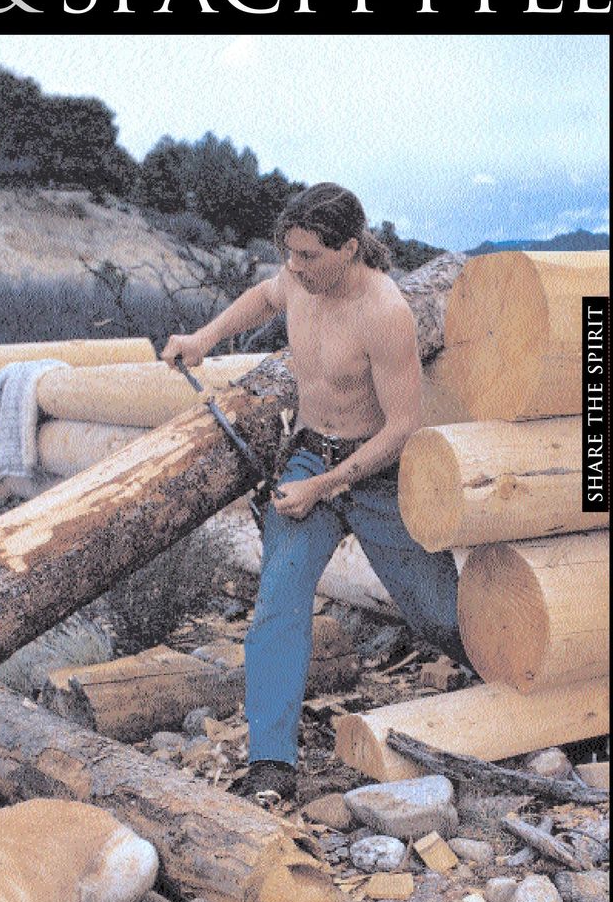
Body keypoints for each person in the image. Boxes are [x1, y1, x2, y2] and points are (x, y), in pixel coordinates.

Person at [160, 182, 469, 803]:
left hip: (375, 470)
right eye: (291, 254)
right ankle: (271, 761)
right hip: (309, 453)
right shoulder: (300, 281)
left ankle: (528, 689)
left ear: (350, 248)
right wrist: (204, 337)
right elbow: (260, 297)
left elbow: (403, 426)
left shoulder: (385, 313)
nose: (294, 269)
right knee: (279, 597)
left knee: (438, 611)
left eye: (309, 256)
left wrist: (328, 486)